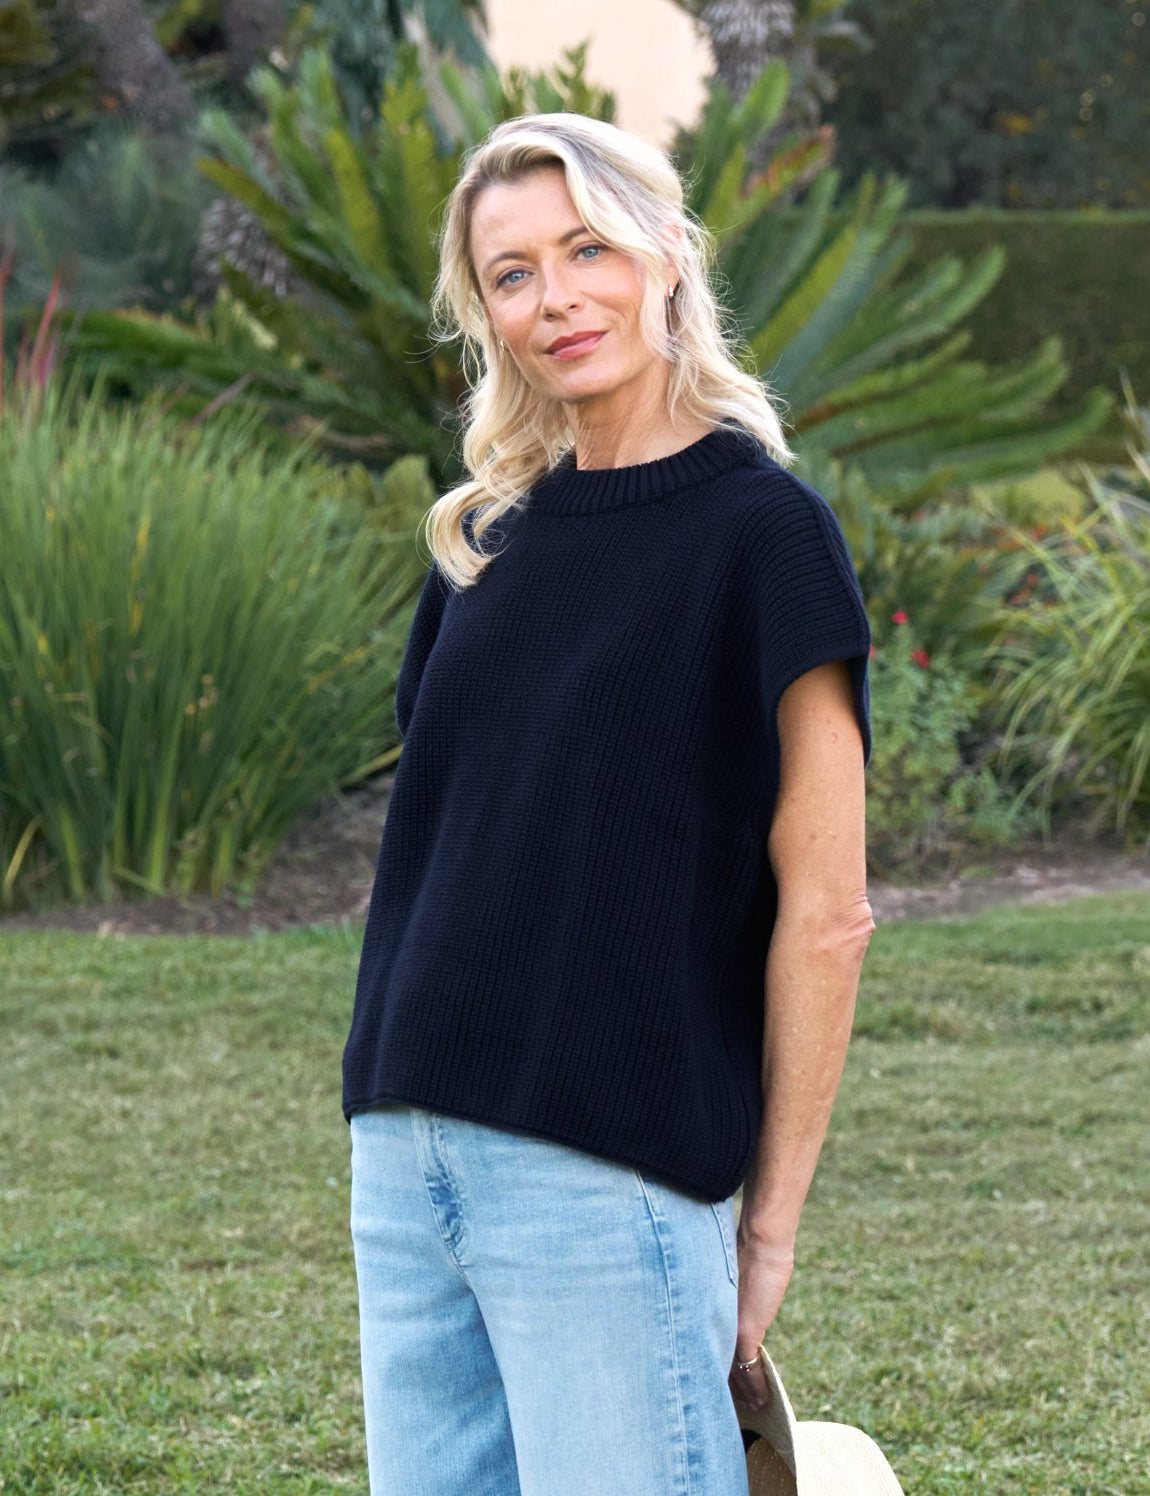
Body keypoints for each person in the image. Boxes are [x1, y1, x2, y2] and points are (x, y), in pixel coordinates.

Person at [341, 110, 876, 1496]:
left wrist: (768, 1230)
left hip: (607, 1159)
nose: (554, 297)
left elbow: (826, 914)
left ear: (664, 261)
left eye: (586, 248)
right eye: (511, 273)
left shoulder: (761, 535)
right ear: (488, 316)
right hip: (406, 1155)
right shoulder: (483, 543)